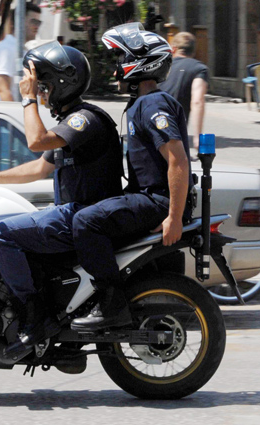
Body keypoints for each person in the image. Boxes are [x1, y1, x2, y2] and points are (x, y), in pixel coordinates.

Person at [0, 41, 124, 356]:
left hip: (83, 216)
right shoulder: (71, 123)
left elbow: (35, 142)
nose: (39, 92)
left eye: (43, 85)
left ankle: (34, 313)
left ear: (62, 83)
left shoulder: (84, 120)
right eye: (37, 87)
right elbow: (41, 167)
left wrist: (27, 99)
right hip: (74, 214)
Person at [70, 23, 194, 331]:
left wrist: (174, 217)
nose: (114, 72)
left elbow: (177, 161)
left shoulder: (153, 104)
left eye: (118, 62)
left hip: (158, 201)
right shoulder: (142, 103)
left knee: (85, 222)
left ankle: (110, 302)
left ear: (138, 63)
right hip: (150, 198)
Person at [159, 31, 208, 151]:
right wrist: (198, 137)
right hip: (174, 133)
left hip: (150, 124)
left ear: (173, 49)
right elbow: (197, 101)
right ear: (193, 51)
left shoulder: (161, 66)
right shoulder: (199, 69)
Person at [0, 2, 42, 102]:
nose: (37, 26)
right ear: (19, 21)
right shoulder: (5, 49)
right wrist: (17, 116)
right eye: (33, 22)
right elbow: (3, 90)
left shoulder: (23, 50)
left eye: (39, 23)